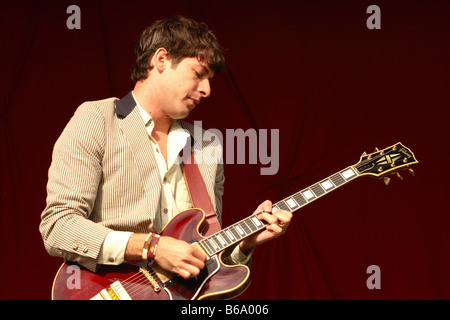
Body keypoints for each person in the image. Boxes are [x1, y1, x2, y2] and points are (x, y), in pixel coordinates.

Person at [40, 17, 292, 284]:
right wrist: (152, 247)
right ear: (161, 60)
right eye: (198, 74)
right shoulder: (98, 119)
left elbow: (206, 256)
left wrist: (244, 244)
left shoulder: (207, 145)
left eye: (209, 80)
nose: (207, 90)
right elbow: (59, 226)